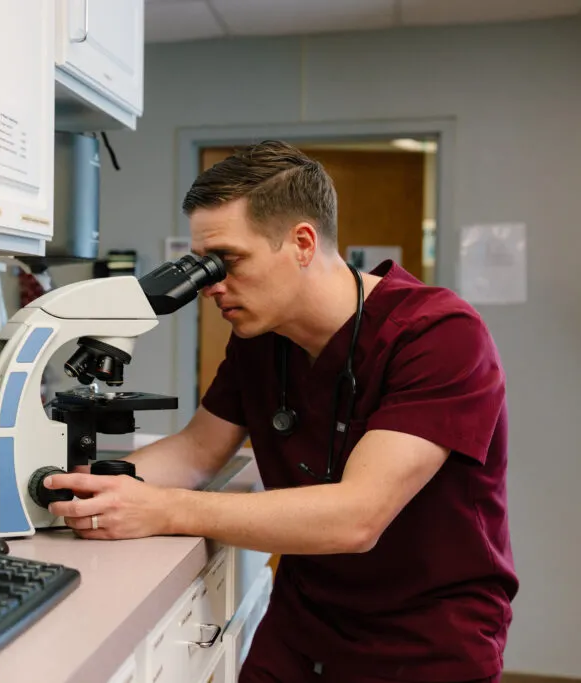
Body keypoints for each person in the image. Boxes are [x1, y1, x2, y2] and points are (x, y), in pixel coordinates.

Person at [44, 141, 517, 683]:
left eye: (229, 260)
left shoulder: (440, 336)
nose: (211, 286)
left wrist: (162, 508)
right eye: (203, 266)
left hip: (426, 640)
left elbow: (357, 517)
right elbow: (198, 450)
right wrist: (86, 489)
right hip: (302, 625)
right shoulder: (261, 340)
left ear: (302, 243)